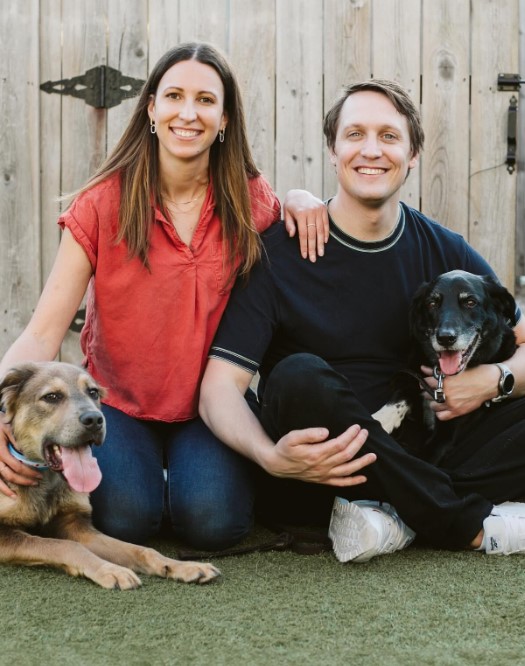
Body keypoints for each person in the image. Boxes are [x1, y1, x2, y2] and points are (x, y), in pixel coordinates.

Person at [0, 42, 327, 550]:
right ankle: (151, 480)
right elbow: (43, 331)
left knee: (214, 524)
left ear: (224, 119)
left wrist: (304, 200)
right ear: (151, 108)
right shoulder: (102, 203)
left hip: (209, 407)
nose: (188, 113)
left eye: (205, 100)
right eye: (173, 95)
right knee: (127, 520)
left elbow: (285, 217)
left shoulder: (249, 200)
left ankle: (183, 484)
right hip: (118, 405)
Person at [199, 78, 525, 562]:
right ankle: (461, 523)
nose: (371, 150)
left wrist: (497, 381)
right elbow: (218, 390)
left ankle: (393, 517)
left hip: (424, 450)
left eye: (389, 136)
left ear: (412, 154)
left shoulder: (443, 251)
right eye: (355, 135)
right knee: (298, 375)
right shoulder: (278, 255)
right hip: (321, 469)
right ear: (333, 151)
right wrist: (271, 458)